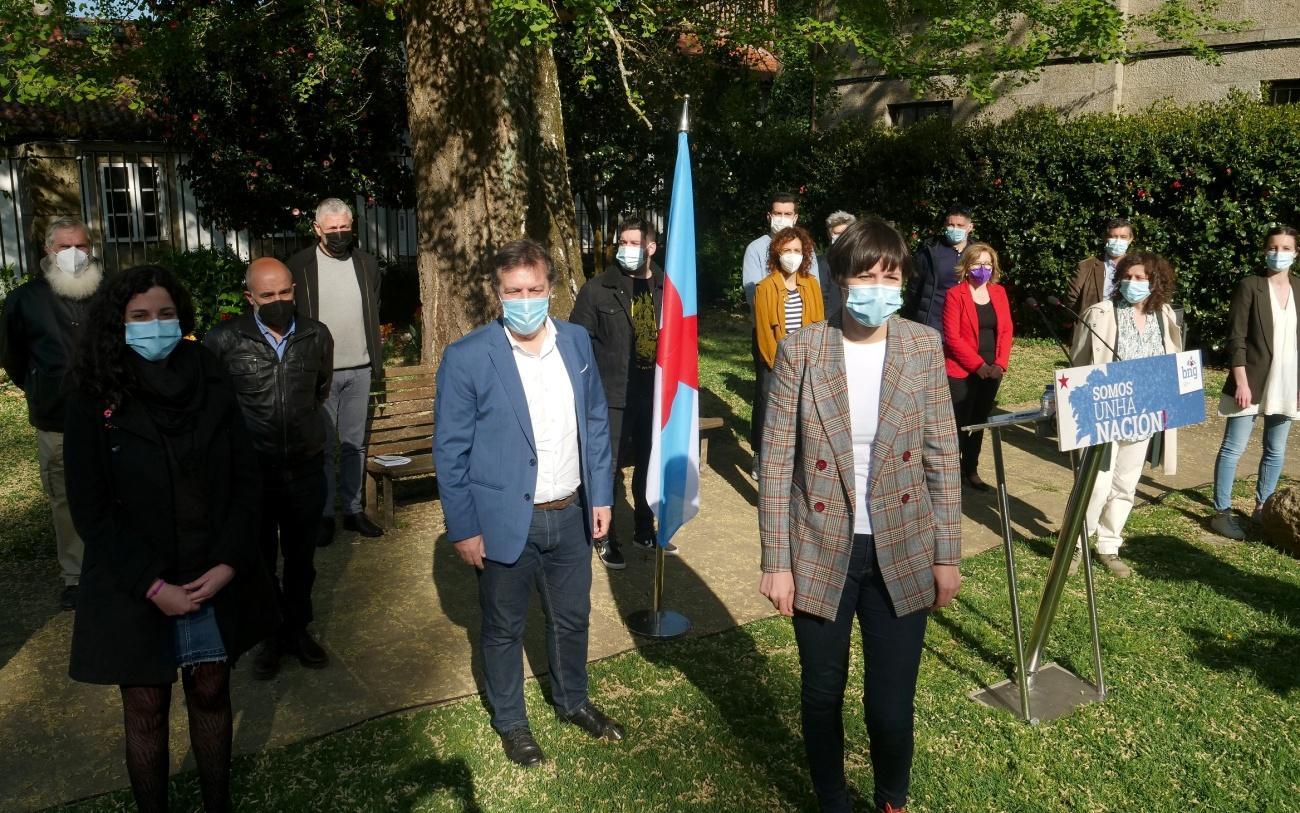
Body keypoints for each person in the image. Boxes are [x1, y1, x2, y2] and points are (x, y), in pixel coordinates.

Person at [758, 217, 961, 813]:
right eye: (865, 276)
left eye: (889, 277)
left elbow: (942, 455)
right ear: (841, 279)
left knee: (891, 706)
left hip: (904, 545)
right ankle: (832, 800)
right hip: (820, 546)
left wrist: (947, 554)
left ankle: (891, 799)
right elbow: (776, 463)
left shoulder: (921, 347)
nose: (877, 288)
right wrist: (777, 561)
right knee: (822, 694)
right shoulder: (803, 349)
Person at [63, 265, 273, 812]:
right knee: (146, 707)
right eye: (139, 316)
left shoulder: (207, 372)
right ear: (117, 323)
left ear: (181, 319)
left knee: (211, 689)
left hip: (209, 568)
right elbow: (90, 508)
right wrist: (152, 587)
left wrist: (229, 562)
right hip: (137, 581)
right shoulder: (93, 392)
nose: (154, 325)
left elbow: (246, 477)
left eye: (164, 314)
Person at [434, 239, 624, 767]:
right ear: (498, 293)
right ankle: (512, 723)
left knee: (572, 617)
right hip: (503, 522)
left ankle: (572, 700)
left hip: (571, 514)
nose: (524, 300)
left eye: (534, 289)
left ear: (550, 289)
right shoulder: (468, 357)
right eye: (513, 291)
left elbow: (595, 422)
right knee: (503, 628)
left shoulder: (576, 342)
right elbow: (450, 452)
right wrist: (464, 528)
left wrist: (601, 496)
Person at [204, 258, 334, 678]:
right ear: (250, 298)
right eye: (267, 295)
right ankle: (270, 634)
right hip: (252, 473)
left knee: (301, 559)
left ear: (294, 290)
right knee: (259, 559)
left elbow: (319, 389)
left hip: (304, 468)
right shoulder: (223, 340)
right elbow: (215, 403)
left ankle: (298, 628)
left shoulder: (316, 335)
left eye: (284, 292)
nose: (278, 301)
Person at [0, 217, 104, 609]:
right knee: (65, 495)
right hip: (56, 418)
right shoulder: (25, 299)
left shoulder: (108, 292)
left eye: (82, 245)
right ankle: (75, 575)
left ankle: (114, 564)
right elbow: (13, 357)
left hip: (109, 411)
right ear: (48, 250)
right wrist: (41, 387)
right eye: (64, 247)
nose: (74, 253)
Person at [1070, 252, 1182, 577]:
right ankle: (1075, 545)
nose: (1133, 283)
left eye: (1140, 278)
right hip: (1105, 411)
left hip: (1144, 413)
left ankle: (1109, 545)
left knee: (1125, 484)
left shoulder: (1164, 315)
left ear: (1155, 282)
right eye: (1127, 277)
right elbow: (1079, 362)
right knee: (1095, 484)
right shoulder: (1100, 313)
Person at [571, 217, 673, 569]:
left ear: (651, 248)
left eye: (634, 243)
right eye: (623, 242)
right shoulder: (598, 289)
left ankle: (644, 526)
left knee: (649, 461)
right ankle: (605, 536)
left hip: (653, 393)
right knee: (608, 467)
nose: (626, 249)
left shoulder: (666, 287)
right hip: (611, 395)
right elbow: (577, 344)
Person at [287, 197, 384, 544]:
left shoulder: (366, 264)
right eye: (333, 229)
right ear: (317, 229)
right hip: (319, 373)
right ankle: (325, 514)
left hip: (360, 368)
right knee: (324, 447)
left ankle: (354, 511)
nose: (340, 234)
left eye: (345, 227)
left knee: (354, 445)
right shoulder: (299, 266)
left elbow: (374, 308)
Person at [1209, 225, 1300, 540]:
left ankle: (1263, 509)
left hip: (1287, 382)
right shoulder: (1250, 286)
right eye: (1273, 247)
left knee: (1275, 450)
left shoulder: (1299, 288)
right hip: (1251, 380)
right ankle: (1221, 512)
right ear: (1265, 250)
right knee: (1233, 448)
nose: (1279, 253)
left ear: (1296, 253)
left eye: (1286, 248)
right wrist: (1241, 381)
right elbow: (1236, 337)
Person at [743, 193, 819, 479]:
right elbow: (755, 297)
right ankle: (762, 454)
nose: (783, 218)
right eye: (778, 213)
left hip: (804, 348)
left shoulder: (807, 255)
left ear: (795, 216)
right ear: (769, 215)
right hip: (770, 343)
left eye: (788, 214)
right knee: (767, 399)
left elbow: (815, 301)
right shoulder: (756, 249)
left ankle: (798, 458)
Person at [942, 243, 1013, 492]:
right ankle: (953, 473)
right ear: (966, 266)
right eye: (976, 263)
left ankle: (971, 469)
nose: (982, 268)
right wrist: (977, 365)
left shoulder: (999, 292)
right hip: (962, 370)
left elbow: (1006, 330)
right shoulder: (955, 294)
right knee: (959, 423)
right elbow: (952, 338)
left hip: (992, 370)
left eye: (987, 264)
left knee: (979, 422)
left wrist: (1000, 364)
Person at [904, 205, 973, 333]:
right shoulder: (929, 252)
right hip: (932, 325)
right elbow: (913, 290)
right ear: (945, 225)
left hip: (965, 326)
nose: (955, 229)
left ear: (970, 227)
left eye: (960, 225)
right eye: (951, 225)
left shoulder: (978, 254)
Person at [1067, 218, 1135, 316]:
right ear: (1105, 238)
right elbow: (1071, 298)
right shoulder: (1086, 266)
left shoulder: (1139, 267)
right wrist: (1084, 319)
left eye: (1123, 237)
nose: (1118, 241)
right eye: (1113, 237)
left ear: (1130, 239)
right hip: (1094, 321)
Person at [817, 210, 856, 318]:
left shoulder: (860, 262)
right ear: (830, 235)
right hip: (830, 320)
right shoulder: (821, 263)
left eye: (844, 233)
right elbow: (821, 296)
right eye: (836, 233)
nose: (840, 237)